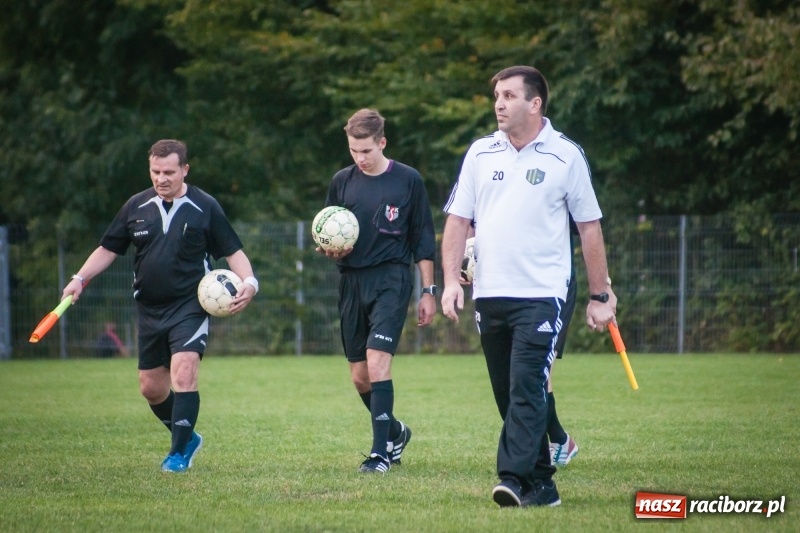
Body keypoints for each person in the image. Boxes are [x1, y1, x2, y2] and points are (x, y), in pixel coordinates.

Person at [441, 66, 617, 507]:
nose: (499, 103)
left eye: (509, 95)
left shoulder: (566, 155)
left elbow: (589, 228)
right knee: (508, 393)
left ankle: (513, 479)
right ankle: (544, 483)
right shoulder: (481, 153)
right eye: (497, 96)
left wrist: (600, 296)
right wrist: (449, 282)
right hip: (490, 293)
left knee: (525, 386)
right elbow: (458, 221)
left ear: (535, 103)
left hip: (542, 295)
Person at [61, 139, 258, 473]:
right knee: (151, 388)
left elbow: (232, 249)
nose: (162, 178)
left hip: (190, 305)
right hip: (149, 309)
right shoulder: (136, 206)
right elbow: (108, 248)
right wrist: (79, 278)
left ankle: (178, 454)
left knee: (184, 369)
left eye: (169, 171)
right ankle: (188, 437)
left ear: (185, 170)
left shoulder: (204, 206)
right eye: (156, 171)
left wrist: (250, 282)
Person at [318, 108, 437, 474]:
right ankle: (395, 432)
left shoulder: (408, 180)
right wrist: (328, 249)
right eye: (354, 150)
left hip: (391, 278)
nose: (360, 158)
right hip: (352, 280)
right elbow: (327, 230)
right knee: (359, 375)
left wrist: (428, 290)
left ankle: (380, 454)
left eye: (366, 150)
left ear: (382, 142)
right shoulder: (342, 181)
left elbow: (423, 237)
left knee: (377, 359)